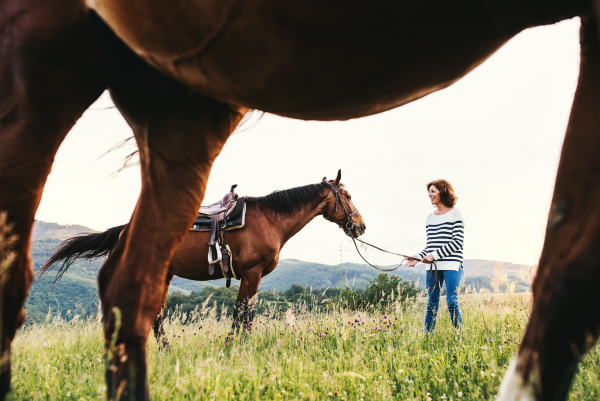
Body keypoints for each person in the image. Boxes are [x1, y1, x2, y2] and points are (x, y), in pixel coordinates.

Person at [405, 179, 464, 332]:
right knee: (431, 303)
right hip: (433, 268)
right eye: (429, 192)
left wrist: (434, 255)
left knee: (452, 302)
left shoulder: (455, 214)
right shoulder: (430, 218)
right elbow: (430, 246)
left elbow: (457, 242)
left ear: (443, 192)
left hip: (452, 266)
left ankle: (460, 335)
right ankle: (427, 338)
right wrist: (417, 257)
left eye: (433, 191)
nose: (429, 195)